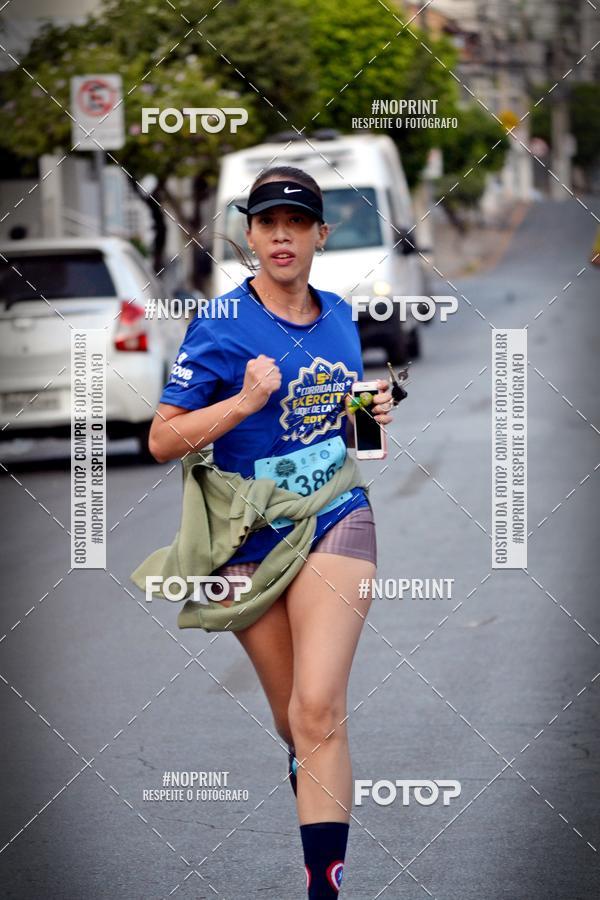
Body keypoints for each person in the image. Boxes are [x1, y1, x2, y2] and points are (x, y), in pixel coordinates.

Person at [147, 166, 396, 898]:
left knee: (318, 706)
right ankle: (316, 802)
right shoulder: (220, 324)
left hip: (335, 515)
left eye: (297, 221)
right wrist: (245, 400)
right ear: (249, 235)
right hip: (246, 535)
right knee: (297, 726)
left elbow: (339, 426)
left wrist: (371, 415)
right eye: (266, 222)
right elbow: (164, 439)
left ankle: (325, 889)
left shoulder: (341, 316)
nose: (281, 234)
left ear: (322, 234)